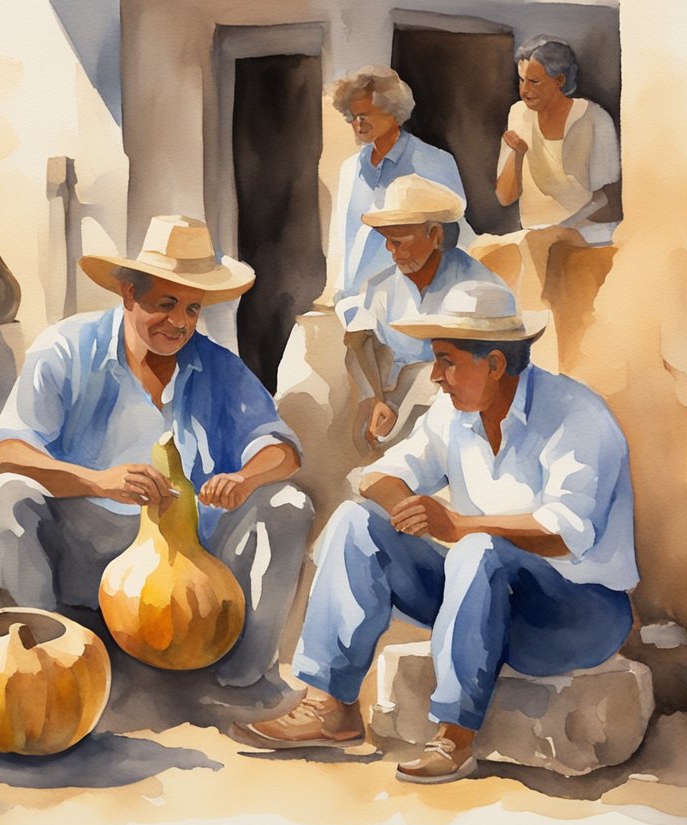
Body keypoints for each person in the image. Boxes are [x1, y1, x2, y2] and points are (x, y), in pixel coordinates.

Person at [242, 281, 637, 784]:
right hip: (483, 600)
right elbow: (377, 477)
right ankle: (331, 706)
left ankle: (454, 735)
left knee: (477, 551)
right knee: (356, 521)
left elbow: (567, 532)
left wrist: (455, 525)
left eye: (448, 361)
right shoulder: (454, 415)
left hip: (578, 614)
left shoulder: (578, 417)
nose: (436, 376)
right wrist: (407, 509)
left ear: (494, 363)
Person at [0, 215, 314, 689]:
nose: (180, 322)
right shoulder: (68, 347)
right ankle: (50, 662)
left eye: (193, 309)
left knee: (289, 504)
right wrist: (97, 481)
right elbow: (9, 451)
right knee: (3, 498)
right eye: (167, 304)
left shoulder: (217, 364)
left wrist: (246, 479)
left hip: (194, 555)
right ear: (129, 294)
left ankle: (246, 673)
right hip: (91, 545)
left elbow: (281, 449)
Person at [337, 175, 508, 450]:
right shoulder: (379, 287)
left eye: (399, 241)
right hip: (395, 395)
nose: (391, 251)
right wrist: (374, 398)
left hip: (453, 399)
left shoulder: (475, 286)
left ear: (435, 234)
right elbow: (357, 342)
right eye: (388, 241)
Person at [491, 36, 621, 369]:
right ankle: (530, 357)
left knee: (547, 261)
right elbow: (505, 195)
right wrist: (518, 156)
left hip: (592, 232)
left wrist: (563, 226)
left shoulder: (595, 119)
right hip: (536, 234)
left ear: (560, 81)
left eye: (533, 81)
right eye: (521, 80)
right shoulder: (518, 115)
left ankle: (549, 360)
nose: (524, 89)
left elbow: (607, 196)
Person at [326, 66, 466, 303]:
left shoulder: (434, 162)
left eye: (365, 115)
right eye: (352, 117)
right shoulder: (350, 169)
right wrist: (339, 291)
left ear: (392, 112)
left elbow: (451, 238)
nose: (357, 124)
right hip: (353, 301)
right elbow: (344, 237)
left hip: (414, 302)